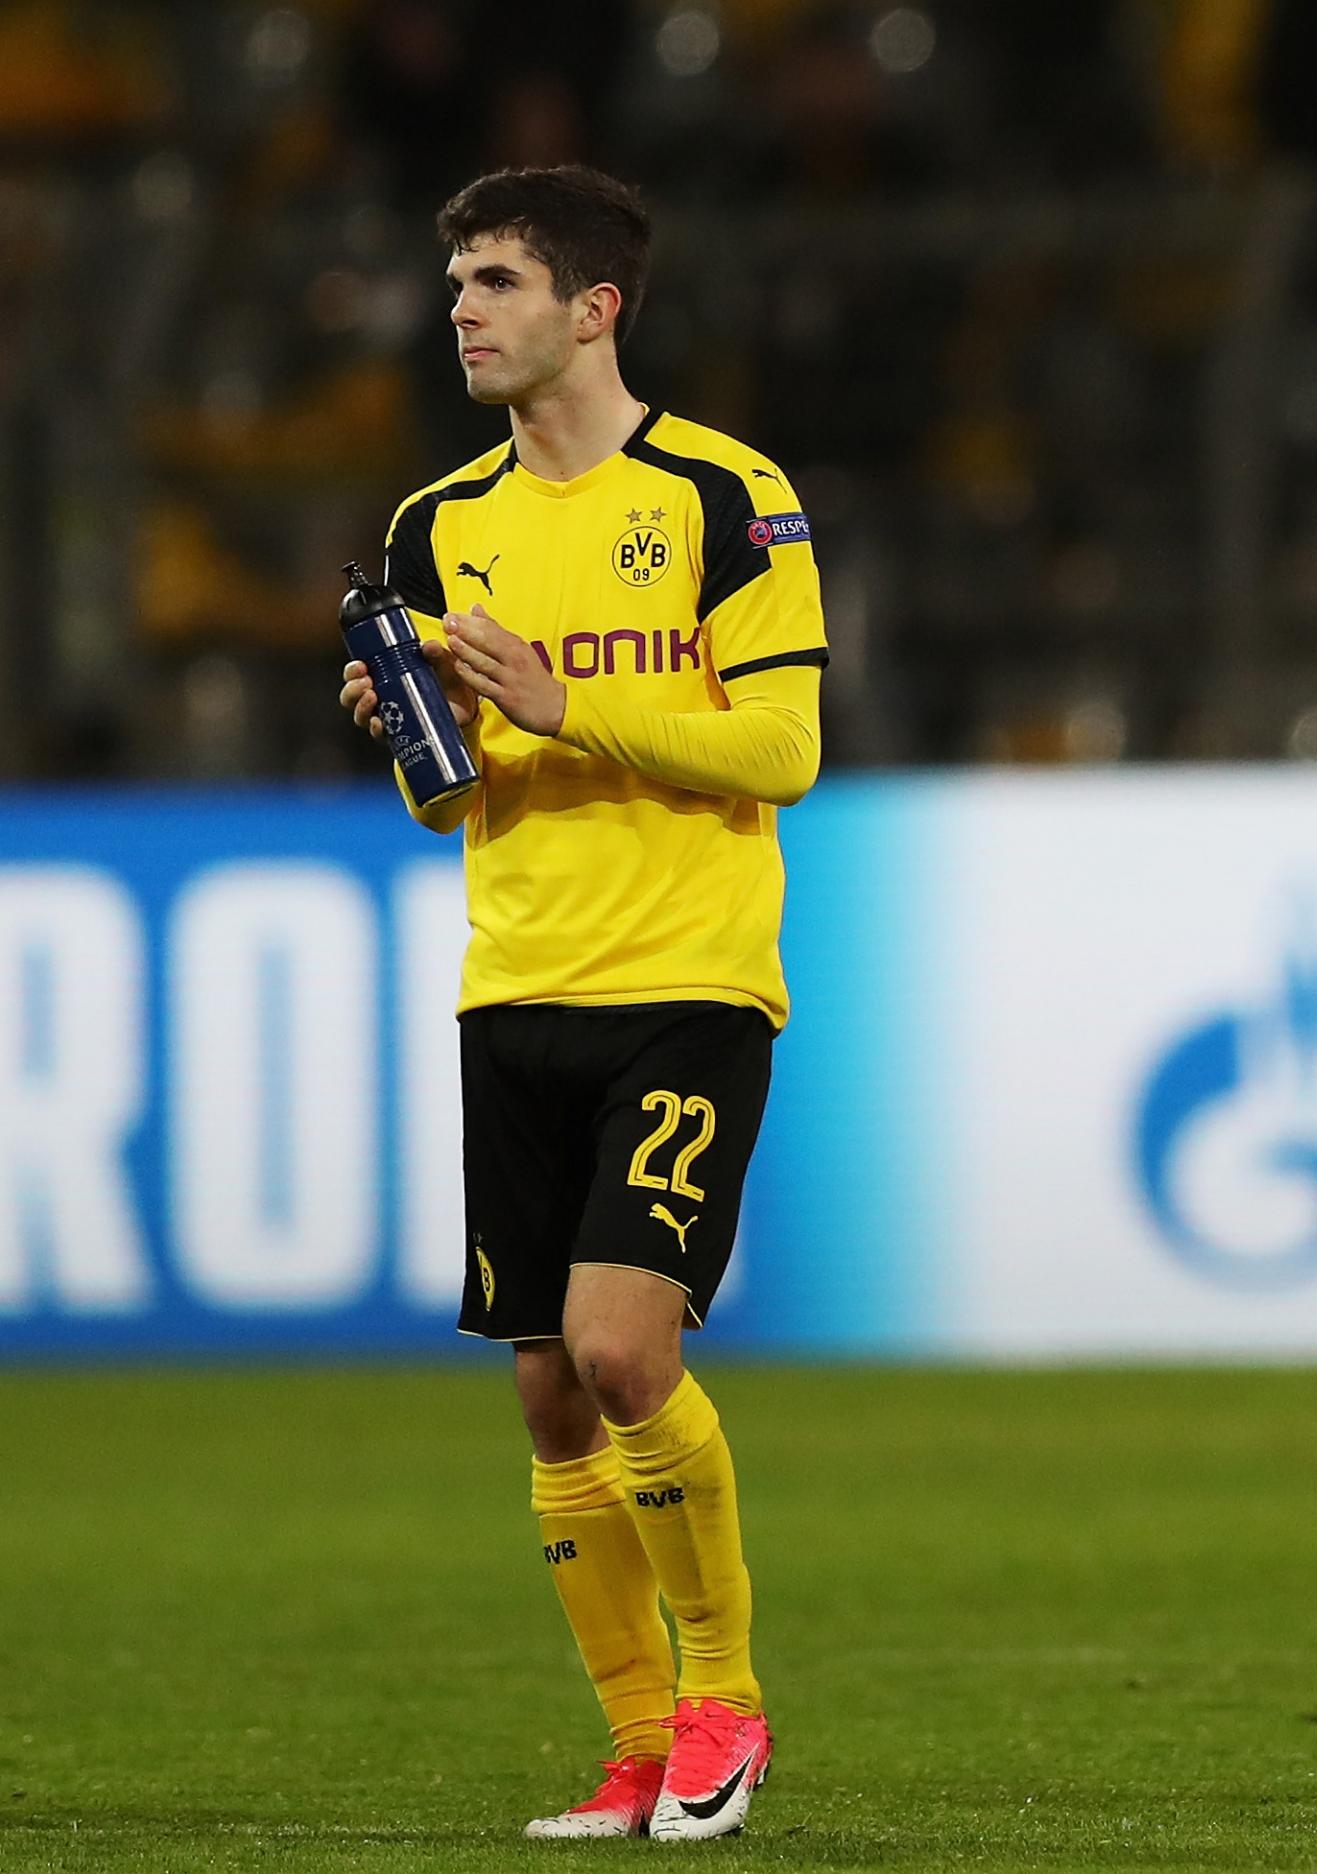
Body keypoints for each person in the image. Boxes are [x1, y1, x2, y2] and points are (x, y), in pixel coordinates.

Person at [338, 165, 826, 1842]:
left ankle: (724, 1700)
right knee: (548, 1388)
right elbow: (451, 798)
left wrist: (568, 705)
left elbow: (785, 750)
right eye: (455, 280)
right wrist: (415, 728)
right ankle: (634, 1746)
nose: (459, 310)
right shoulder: (433, 525)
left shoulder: (722, 494)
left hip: (687, 981)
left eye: (494, 282)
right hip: (515, 981)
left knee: (626, 1349)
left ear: (593, 307)